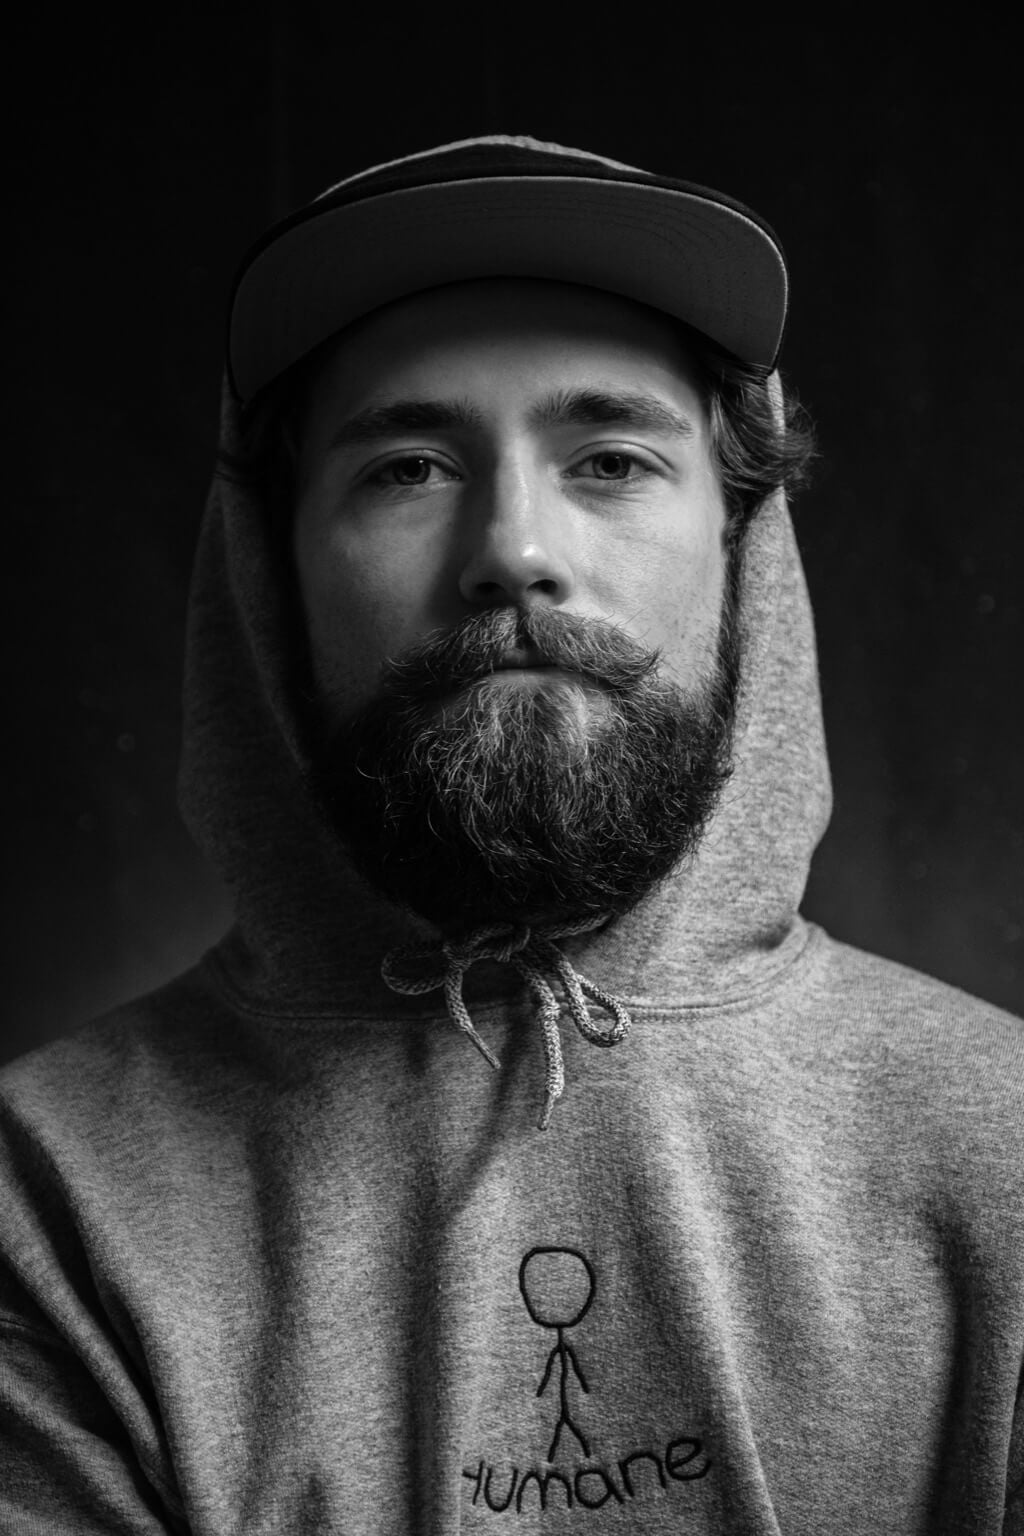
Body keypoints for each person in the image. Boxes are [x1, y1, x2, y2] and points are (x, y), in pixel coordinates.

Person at [0, 135, 1021, 1535]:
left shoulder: (1003, 1148)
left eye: (611, 459)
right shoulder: (47, 1198)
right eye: (410, 467)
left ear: (744, 546)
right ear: (269, 569)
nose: (514, 548)